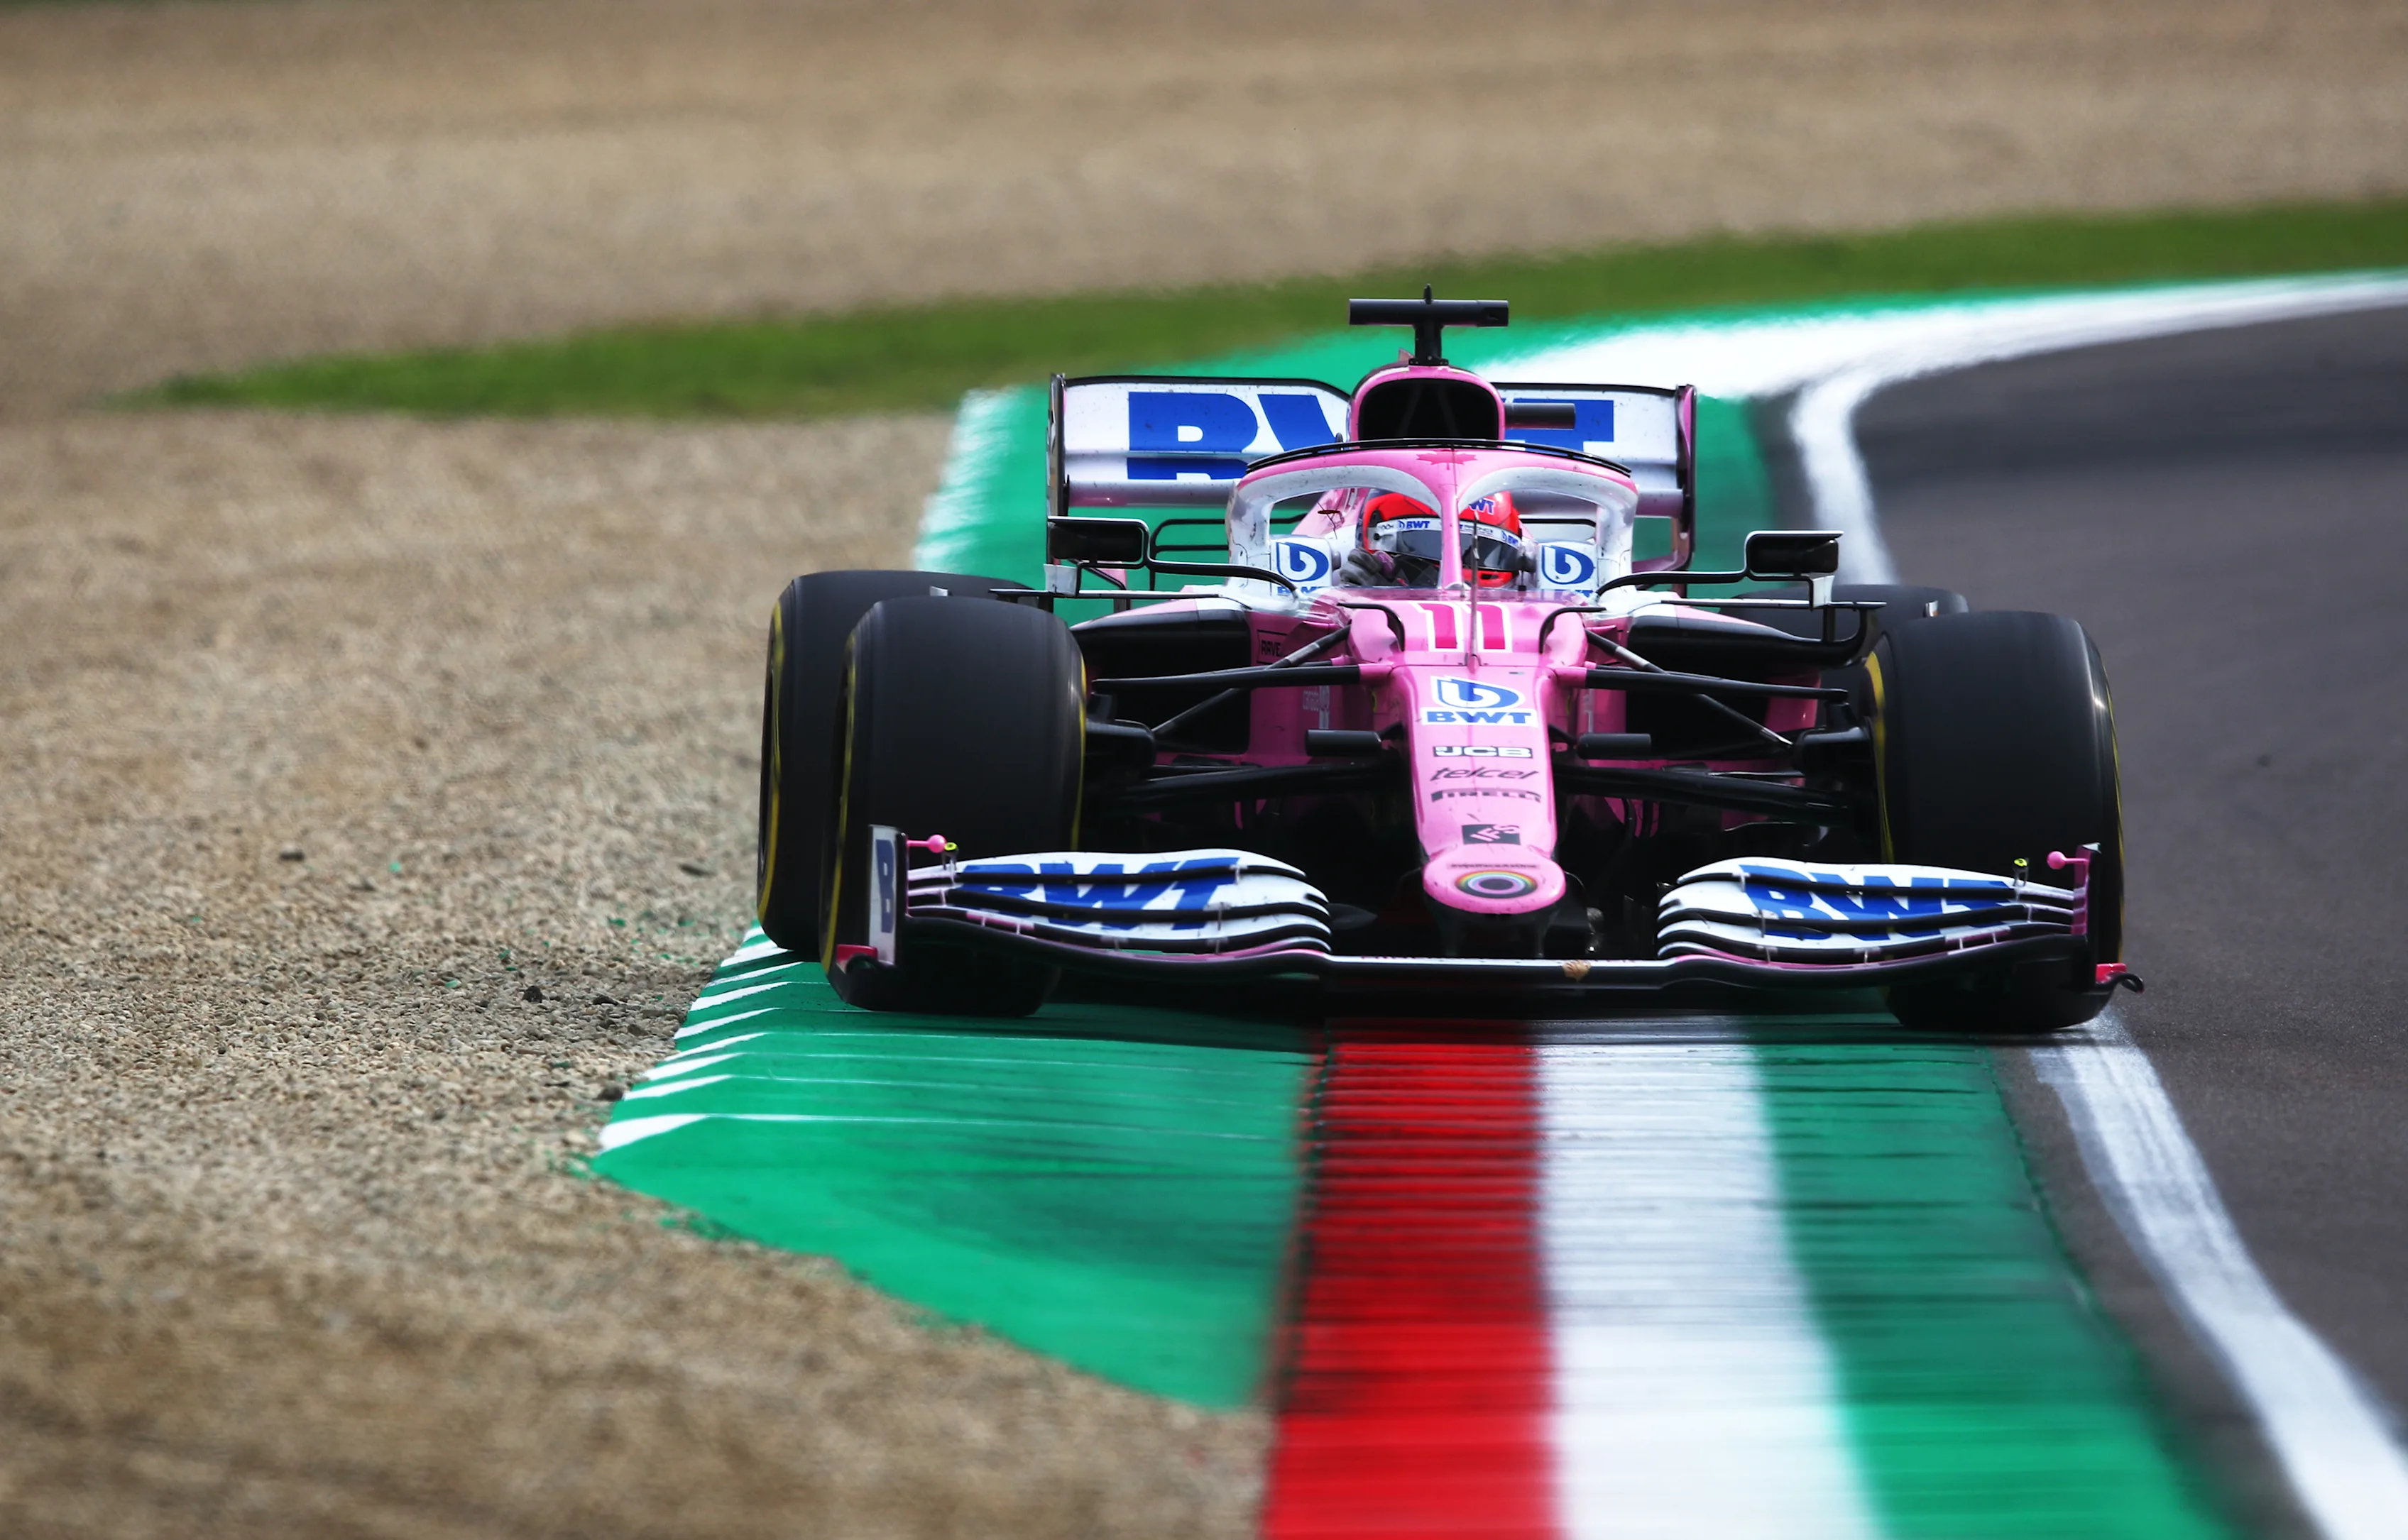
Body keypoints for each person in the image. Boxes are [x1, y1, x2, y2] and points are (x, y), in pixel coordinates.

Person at [1337, 490, 1529, 588]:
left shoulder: (1536, 579)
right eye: (1428, 544)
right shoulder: (1335, 561)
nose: (1456, 585)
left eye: (1487, 550)